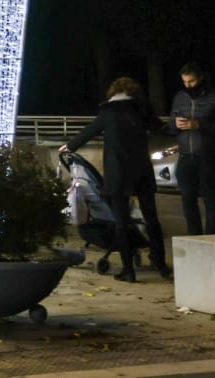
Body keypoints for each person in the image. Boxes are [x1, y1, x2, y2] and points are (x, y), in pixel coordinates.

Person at [61, 77, 171, 281]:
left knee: (121, 222)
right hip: (141, 170)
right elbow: (159, 128)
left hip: (118, 172)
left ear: (113, 93)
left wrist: (70, 146)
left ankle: (128, 270)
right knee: (151, 218)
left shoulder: (108, 112)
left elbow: (90, 131)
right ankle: (161, 263)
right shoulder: (142, 108)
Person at [170, 62, 215, 236]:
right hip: (185, 157)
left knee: (210, 200)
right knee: (188, 201)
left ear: (200, 78)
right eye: (185, 82)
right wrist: (174, 125)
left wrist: (199, 125)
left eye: (192, 81)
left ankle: (213, 239)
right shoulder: (179, 97)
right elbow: (170, 125)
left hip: (208, 157)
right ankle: (194, 239)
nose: (188, 86)